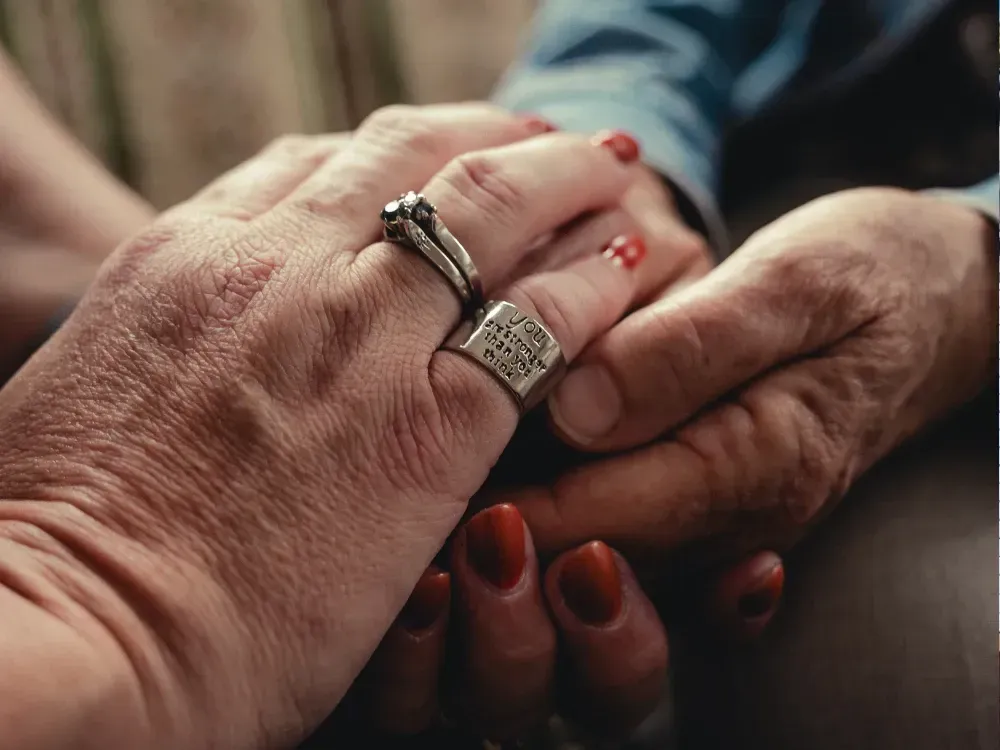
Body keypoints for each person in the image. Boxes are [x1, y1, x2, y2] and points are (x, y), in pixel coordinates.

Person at [350, 0, 998, 747]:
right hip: (716, 212)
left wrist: (981, 277)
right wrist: (616, 182)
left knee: (936, 676)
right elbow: (640, 28)